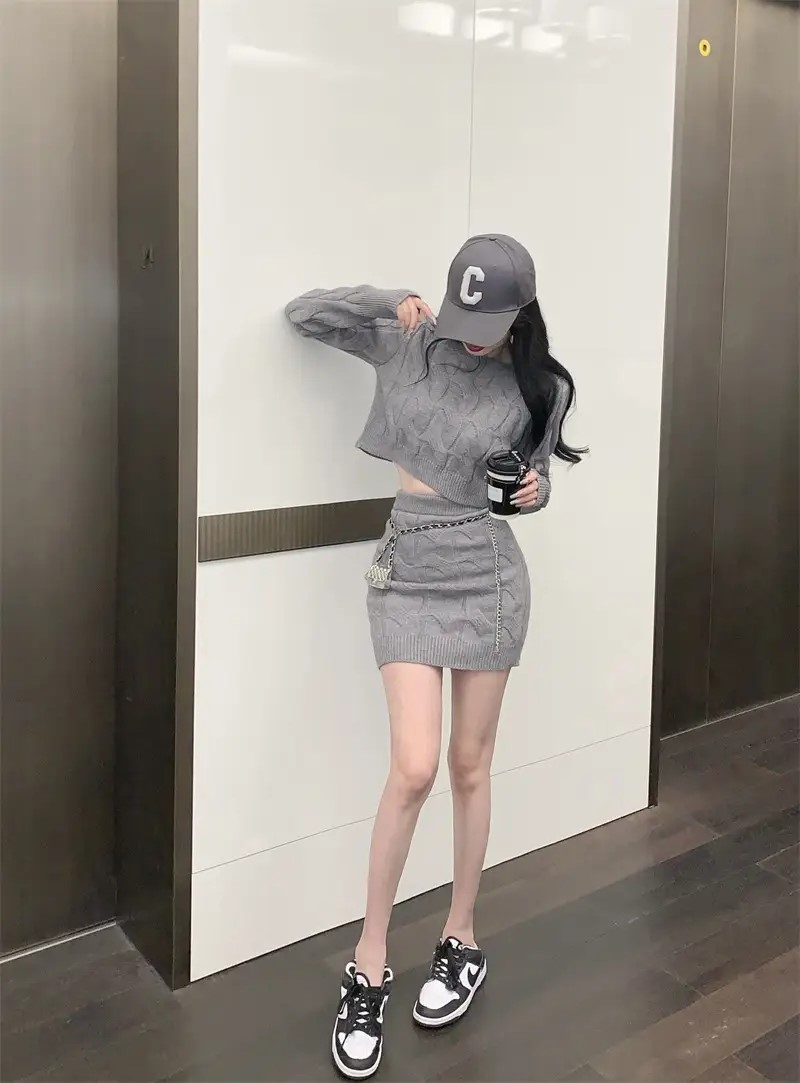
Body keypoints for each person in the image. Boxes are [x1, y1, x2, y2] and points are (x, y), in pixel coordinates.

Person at [285, 234, 585, 1079]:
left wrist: (536, 490)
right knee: (413, 767)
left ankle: (461, 937)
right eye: (466, 316)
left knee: (469, 765)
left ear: (522, 310)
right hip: (407, 574)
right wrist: (388, 298)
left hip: (488, 577)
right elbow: (305, 315)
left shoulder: (543, 385)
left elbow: (532, 482)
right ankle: (369, 961)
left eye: (492, 322)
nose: (474, 338)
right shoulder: (409, 339)